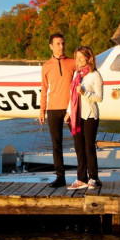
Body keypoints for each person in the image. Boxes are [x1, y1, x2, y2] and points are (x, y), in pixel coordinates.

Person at [39, 33, 76, 188]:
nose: (61, 46)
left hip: (70, 109)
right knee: (56, 145)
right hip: (53, 109)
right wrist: (42, 110)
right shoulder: (46, 66)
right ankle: (60, 177)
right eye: (58, 44)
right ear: (51, 46)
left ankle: (83, 176)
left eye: (63, 43)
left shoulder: (73, 62)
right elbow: (44, 89)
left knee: (78, 143)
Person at [64, 46, 103, 190]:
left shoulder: (95, 75)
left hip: (90, 116)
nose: (78, 60)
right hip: (76, 116)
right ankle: (81, 178)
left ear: (89, 58)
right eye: (76, 57)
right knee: (79, 149)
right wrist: (68, 112)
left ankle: (94, 178)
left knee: (89, 147)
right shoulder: (77, 74)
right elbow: (72, 96)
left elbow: (99, 98)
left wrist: (85, 92)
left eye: (81, 57)